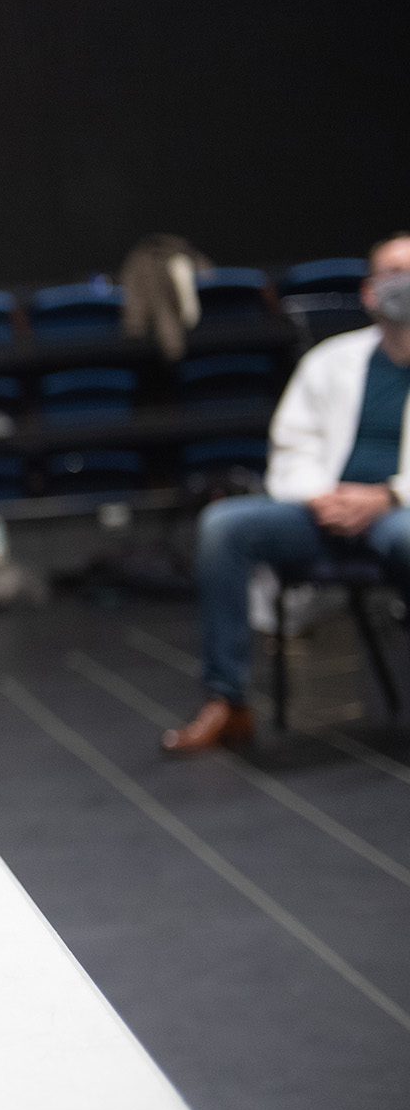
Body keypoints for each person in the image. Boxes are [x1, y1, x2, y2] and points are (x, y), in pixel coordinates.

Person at [165, 231, 410, 756]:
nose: (403, 285)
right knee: (223, 526)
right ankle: (227, 702)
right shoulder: (330, 361)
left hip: (398, 514)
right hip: (322, 512)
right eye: (392, 273)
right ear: (368, 293)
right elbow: (291, 446)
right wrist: (322, 497)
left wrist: (388, 495)